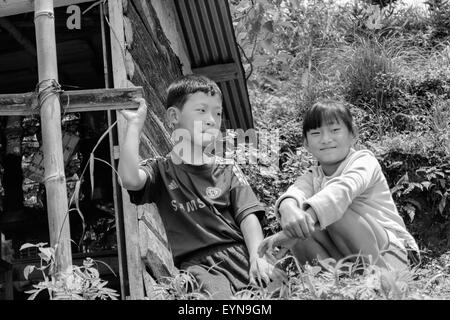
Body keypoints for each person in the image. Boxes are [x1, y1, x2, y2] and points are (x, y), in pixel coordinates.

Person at [118, 74, 283, 299]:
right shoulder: (161, 170)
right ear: (174, 116)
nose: (211, 120)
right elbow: (129, 179)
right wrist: (135, 126)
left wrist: (257, 257)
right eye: (201, 110)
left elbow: (247, 216)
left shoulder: (228, 168)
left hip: (241, 255)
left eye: (217, 113)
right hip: (197, 268)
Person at [258, 100, 419, 271]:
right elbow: (296, 191)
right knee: (299, 225)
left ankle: (382, 283)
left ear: (353, 135)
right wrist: (287, 208)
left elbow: (341, 191)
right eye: (316, 133)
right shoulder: (313, 175)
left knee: (334, 213)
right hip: (349, 259)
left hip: (394, 254)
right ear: (306, 144)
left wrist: (295, 228)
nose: (326, 139)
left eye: (335, 130)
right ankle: (335, 286)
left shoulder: (364, 161)